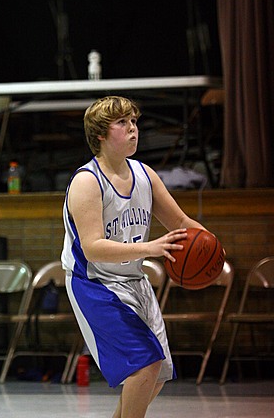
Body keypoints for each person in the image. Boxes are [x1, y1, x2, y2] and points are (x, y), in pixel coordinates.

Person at [61, 95, 206, 418]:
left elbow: (181, 223)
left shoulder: (144, 174)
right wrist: (150, 248)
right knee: (145, 365)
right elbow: (93, 246)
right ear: (100, 134)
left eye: (134, 122)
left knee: (155, 376)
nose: (133, 129)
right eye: (122, 123)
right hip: (94, 283)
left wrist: (210, 242)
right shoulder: (87, 181)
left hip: (132, 280)